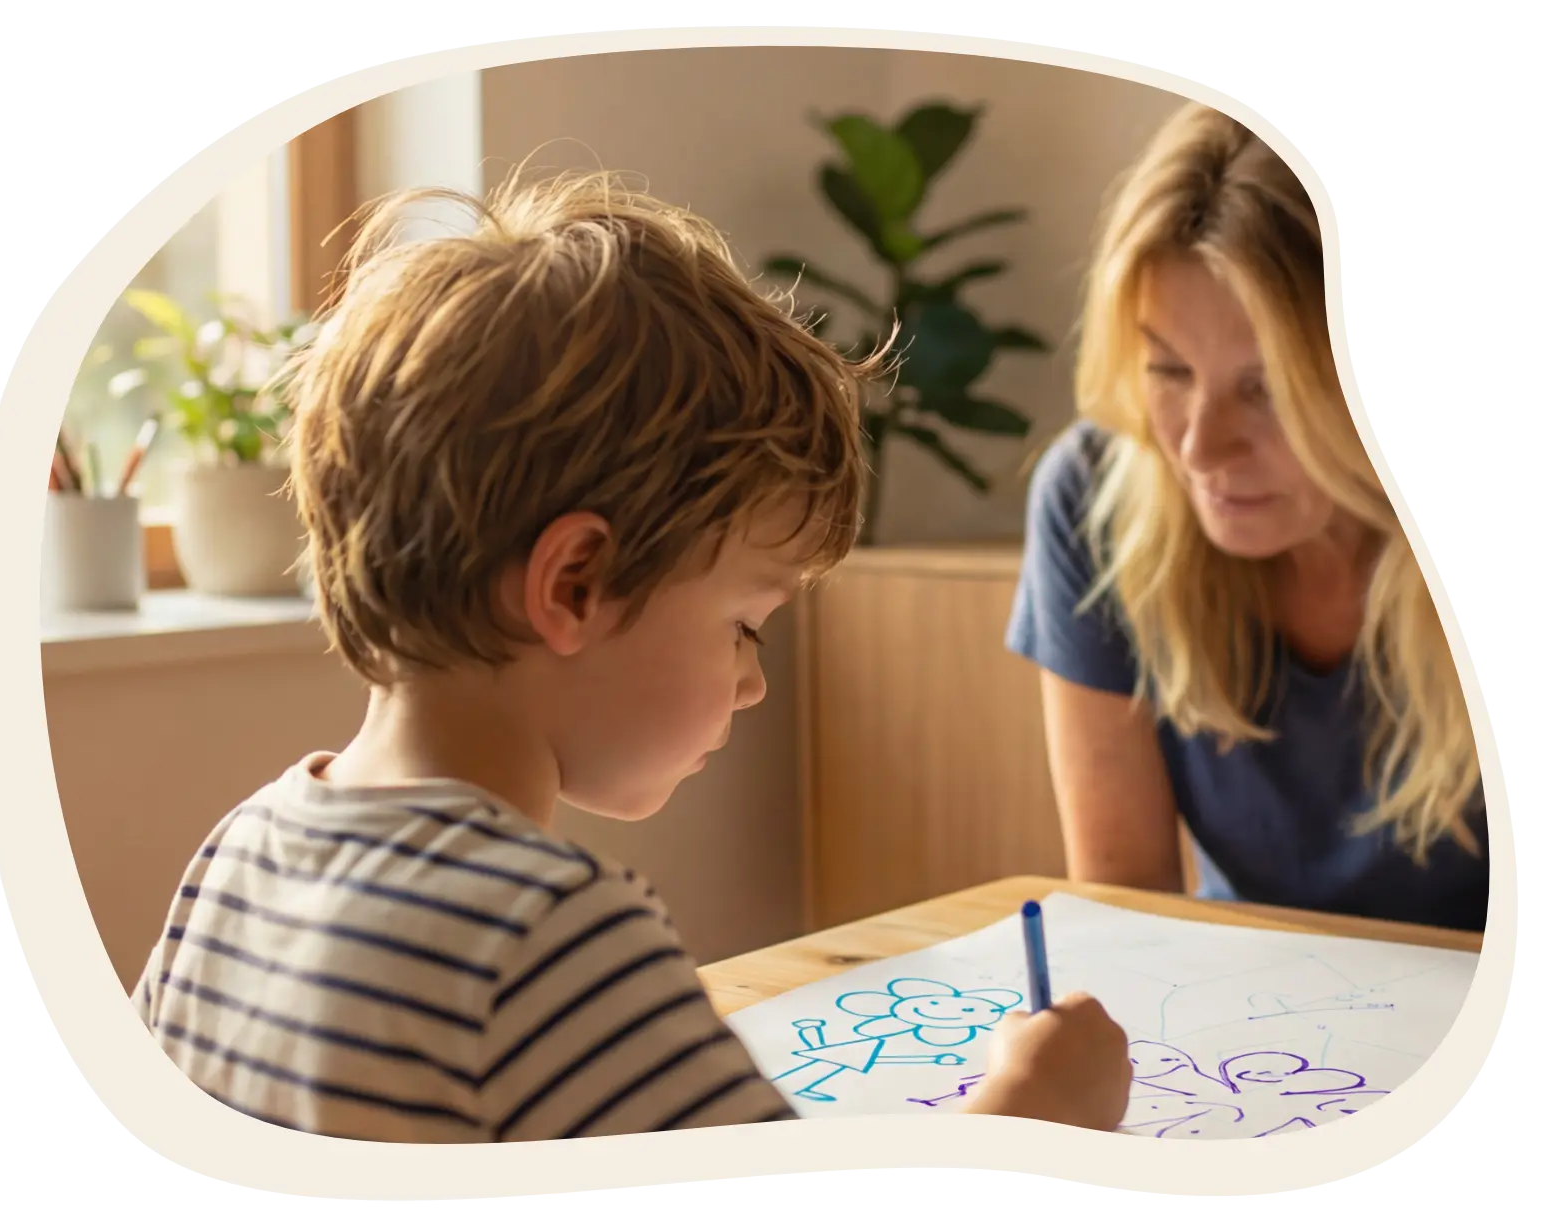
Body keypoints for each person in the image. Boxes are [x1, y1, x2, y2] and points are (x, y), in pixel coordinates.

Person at [130, 168, 1133, 1143]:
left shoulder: (239, 850)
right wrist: (1029, 1119)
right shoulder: (546, 936)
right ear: (575, 586)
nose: (753, 685)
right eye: (746, 624)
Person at [1006, 101, 1487, 934]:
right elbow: (1132, 912)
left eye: (1264, 388)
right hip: (1251, 1033)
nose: (1199, 446)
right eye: (1168, 368)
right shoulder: (1093, 500)